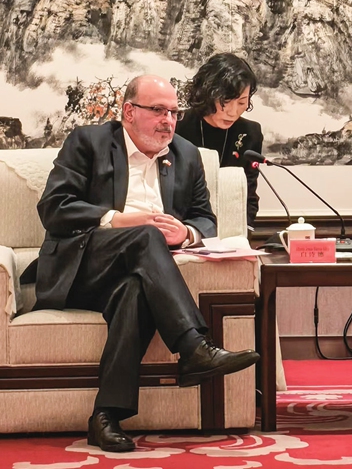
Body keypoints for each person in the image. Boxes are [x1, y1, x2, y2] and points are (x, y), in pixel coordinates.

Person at [35, 75, 260, 452]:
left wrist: (185, 233)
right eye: (157, 110)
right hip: (82, 267)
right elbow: (54, 207)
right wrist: (118, 219)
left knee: (134, 291)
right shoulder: (89, 142)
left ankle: (105, 416)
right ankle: (193, 346)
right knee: (145, 235)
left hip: (139, 273)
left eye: (173, 111)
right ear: (128, 112)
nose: (168, 120)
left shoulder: (187, 155)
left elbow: (206, 219)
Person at [176, 53, 264, 228]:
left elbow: (248, 193)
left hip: (231, 231)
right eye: (226, 101)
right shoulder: (177, 127)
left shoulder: (250, 133)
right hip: (183, 229)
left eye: (241, 103)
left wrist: (242, 230)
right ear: (207, 94)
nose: (233, 112)